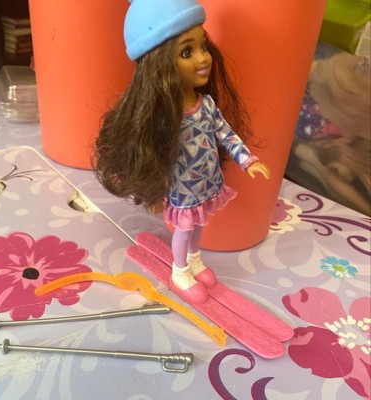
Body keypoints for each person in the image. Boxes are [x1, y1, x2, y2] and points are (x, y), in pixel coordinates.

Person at [94, 0, 271, 304]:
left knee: (199, 224)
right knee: (184, 229)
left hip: (207, 183)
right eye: (187, 52)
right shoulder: (165, 116)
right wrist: (155, 191)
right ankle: (180, 271)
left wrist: (248, 161)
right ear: (159, 65)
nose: (203, 58)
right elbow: (154, 154)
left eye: (202, 46)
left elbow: (226, 134)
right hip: (184, 189)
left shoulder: (206, 104)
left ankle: (194, 260)